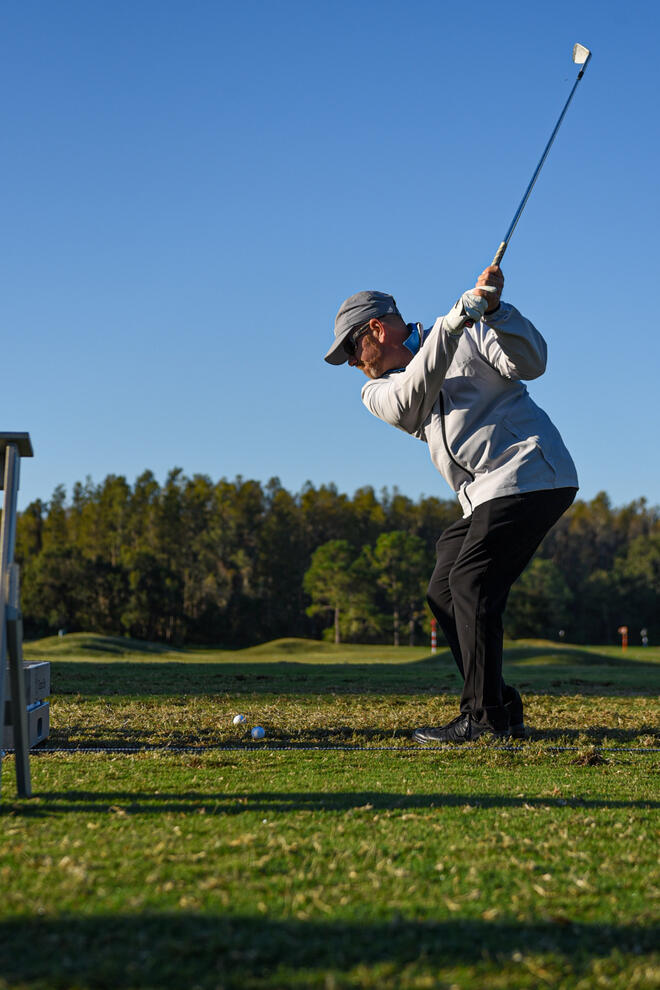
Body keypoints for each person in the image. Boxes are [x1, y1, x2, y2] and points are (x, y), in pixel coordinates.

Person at [324, 267, 578, 742]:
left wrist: (498, 313)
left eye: (353, 350)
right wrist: (453, 321)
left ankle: (484, 719)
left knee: (470, 581)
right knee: (445, 586)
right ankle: (499, 703)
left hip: (531, 472)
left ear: (376, 329)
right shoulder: (376, 390)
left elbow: (533, 362)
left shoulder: (475, 332)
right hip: (485, 494)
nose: (356, 363)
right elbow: (411, 397)